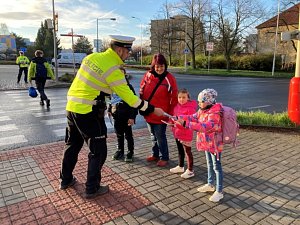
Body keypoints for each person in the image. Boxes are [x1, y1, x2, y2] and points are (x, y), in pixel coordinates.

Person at [59, 35, 164, 199]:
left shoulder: (92, 57)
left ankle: (65, 179)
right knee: (98, 151)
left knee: (72, 144)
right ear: (120, 50)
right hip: (89, 112)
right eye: (128, 51)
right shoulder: (114, 70)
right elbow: (130, 98)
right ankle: (92, 188)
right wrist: (151, 109)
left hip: (71, 107)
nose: (128, 54)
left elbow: (90, 82)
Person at [175, 88, 224, 202]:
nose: (198, 103)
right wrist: (179, 117)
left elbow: (206, 126)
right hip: (207, 143)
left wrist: (187, 124)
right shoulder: (202, 110)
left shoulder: (215, 112)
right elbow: (193, 117)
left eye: (200, 101)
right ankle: (210, 184)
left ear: (208, 101)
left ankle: (219, 191)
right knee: (209, 164)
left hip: (215, 144)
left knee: (217, 167)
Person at [139, 53, 178, 167]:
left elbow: (174, 98)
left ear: (165, 66)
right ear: (153, 66)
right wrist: (141, 104)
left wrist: (170, 115)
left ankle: (164, 157)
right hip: (148, 111)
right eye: (157, 66)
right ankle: (155, 154)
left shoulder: (169, 78)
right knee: (152, 135)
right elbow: (142, 89)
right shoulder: (148, 75)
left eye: (161, 66)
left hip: (161, 114)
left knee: (160, 136)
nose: (159, 68)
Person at [108, 68, 138, 162]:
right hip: (116, 115)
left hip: (127, 116)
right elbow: (110, 100)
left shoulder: (128, 87)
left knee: (128, 135)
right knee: (119, 134)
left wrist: (132, 117)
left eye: (122, 75)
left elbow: (134, 103)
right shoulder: (112, 87)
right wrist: (109, 109)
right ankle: (120, 150)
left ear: (125, 76)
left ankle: (130, 152)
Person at [169, 88, 197, 178]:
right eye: (179, 97)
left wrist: (180, 122)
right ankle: (180, 166)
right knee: (180, 150)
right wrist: (171, 122)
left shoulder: (191, 108)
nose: (181, 99)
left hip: (186, 134)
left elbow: (191, 121)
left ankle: (190, 170)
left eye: (184, 97)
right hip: (177, 132)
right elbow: (174, 116)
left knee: (188, 152)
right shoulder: (176, 106)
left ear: (188, 97)